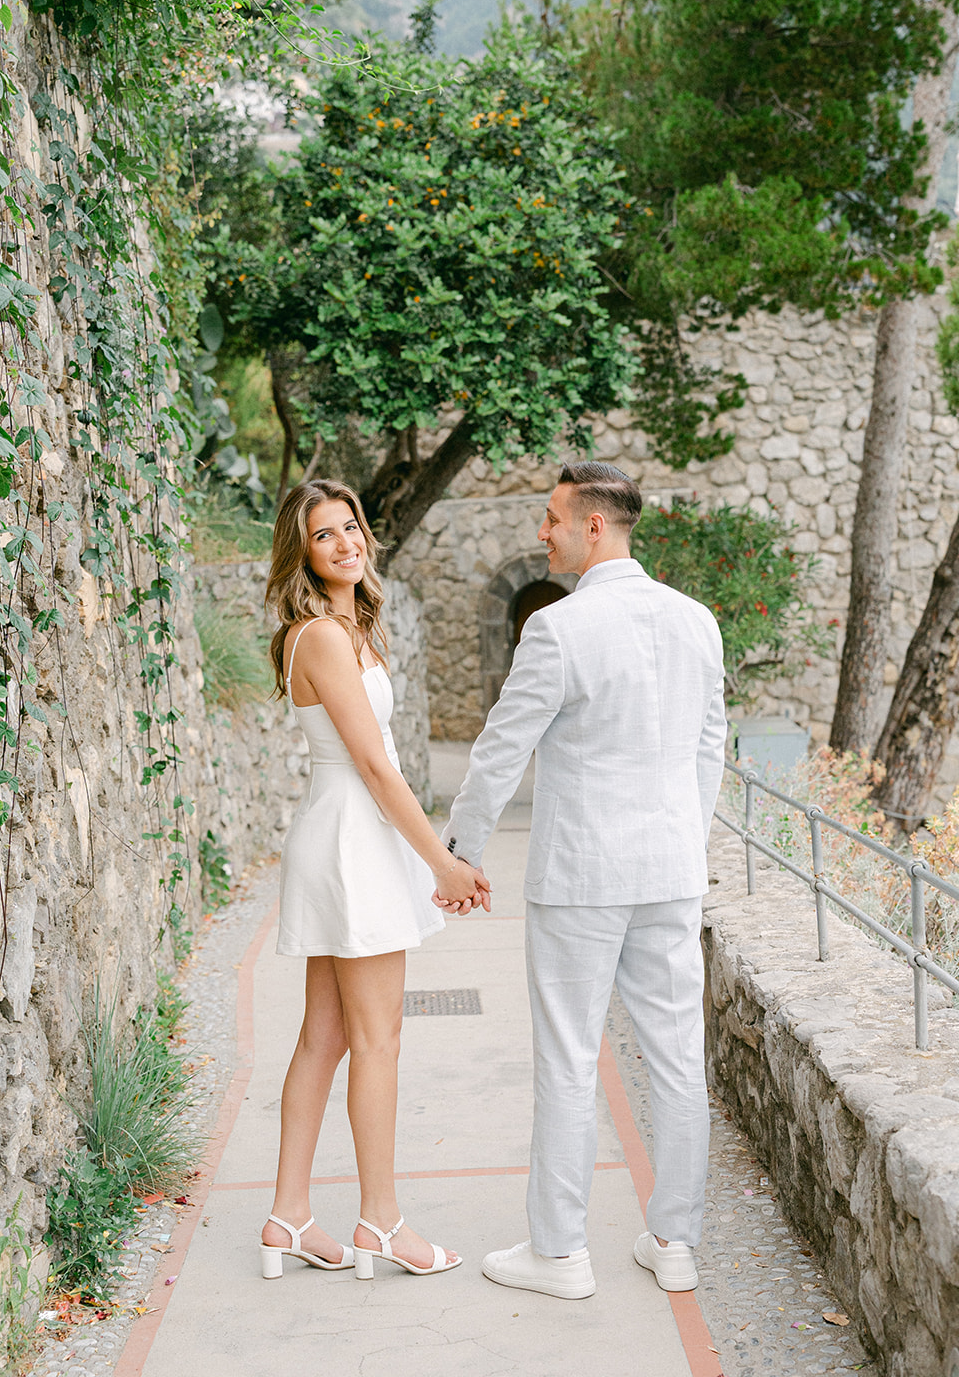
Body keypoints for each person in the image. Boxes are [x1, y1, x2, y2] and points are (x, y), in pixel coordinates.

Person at [436, 461, 726, 1300]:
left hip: (580, 877)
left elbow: (501, 746)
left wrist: (463, 852)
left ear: (594, 525)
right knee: (676, 1056)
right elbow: (711, 747)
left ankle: (560, 1254)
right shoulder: (695, 621)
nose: (543, 531)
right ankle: (674, 1242)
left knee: (567, 1056)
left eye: (553, 517)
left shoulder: (559, 629)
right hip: (669, 871)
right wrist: (683, 837)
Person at [259, 478, 490, 1284]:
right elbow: (374, 768)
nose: (345, 543)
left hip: (347, 836)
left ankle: (288, 1216)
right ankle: (381, 1223)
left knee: (325, 1037)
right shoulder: (321, 635)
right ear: (303, 552)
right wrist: (445, 863)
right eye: (324, 535)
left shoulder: (345, 627)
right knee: (378, 1039)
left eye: (350, 526)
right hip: (353, 841)